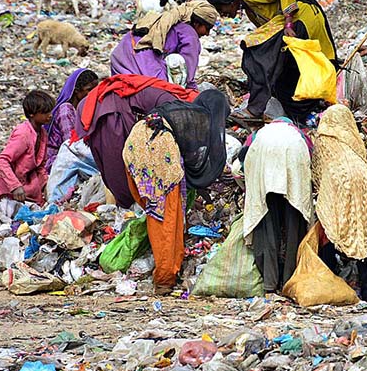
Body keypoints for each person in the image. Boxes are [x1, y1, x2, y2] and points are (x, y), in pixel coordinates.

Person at [122, 90, 229, 294]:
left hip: (135, 145)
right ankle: (164, 278)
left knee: (155, 212)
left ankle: (169, 268)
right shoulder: (202, 119)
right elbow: (196, 159)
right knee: (167, 218)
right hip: (158, 153)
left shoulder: (187, 111)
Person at [206, 0, 337, 121]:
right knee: (287, 68)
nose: (221, 13)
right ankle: (299, 113)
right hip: (309, 18)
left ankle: (255, 108)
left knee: (256, 58)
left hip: (299, 19)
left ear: (229, 0)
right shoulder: (250, 9)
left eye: (220, 8)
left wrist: (288, 24)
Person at [75, 74, 198, 208]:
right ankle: (131, 201)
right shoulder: (176, 104)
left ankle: (133, 201)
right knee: (117, 164)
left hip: (111, 112)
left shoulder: (174, 100)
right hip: (107, 118)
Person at [312, 104, 367, 302]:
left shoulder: (323, 138)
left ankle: (330, 287)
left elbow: (317, 169)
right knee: (363, 229)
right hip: (362, 176)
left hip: (336, 178)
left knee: (331, 229)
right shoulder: (352, 136)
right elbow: (364, 157)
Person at [243, 117, 313, 293]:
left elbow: (246, 162)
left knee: (268, 229)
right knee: (293, 228)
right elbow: (310, 158)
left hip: (265, 178)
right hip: (292, 175)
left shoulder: (258, 135)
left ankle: (269, 282)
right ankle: (289, 279)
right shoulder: (299, 135)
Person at [110, 1, 219, 90]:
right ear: (197, 23)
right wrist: (192, 91)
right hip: (138, 56)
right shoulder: (189, 33)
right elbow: (188, 68)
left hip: (120, 56)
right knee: (162, 92)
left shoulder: (171, 23)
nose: (207, 33)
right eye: (207, 28)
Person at [0, 90, 54, 204]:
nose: (50, 115)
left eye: (50, 111)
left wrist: (46, 185)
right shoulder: (23, 134)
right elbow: (3, 160)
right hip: (9, 189)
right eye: (45, 112)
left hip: (29, 186)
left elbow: (40, 166)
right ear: (32, 114)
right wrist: (15, 186)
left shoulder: (43, 133)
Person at [45, 68, 99, 171]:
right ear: (77, 91)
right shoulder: (66, 110)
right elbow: (71, 145)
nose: (94, 94)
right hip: (58, 161)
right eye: (89, 90)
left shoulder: (82, 108)